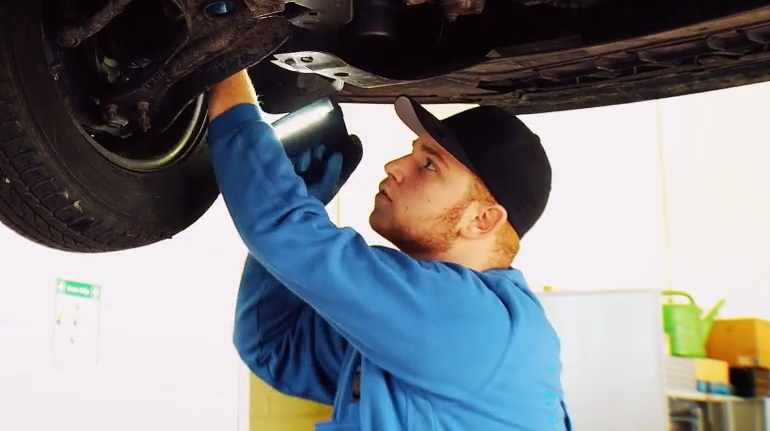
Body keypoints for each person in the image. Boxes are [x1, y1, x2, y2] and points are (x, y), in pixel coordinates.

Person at [205, 69, 569, 430]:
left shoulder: (470, 320)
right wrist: (296, 215)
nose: (394, 166)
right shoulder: (420, 330)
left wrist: (226, 70)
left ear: (481, 220)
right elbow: (274, 347)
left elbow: (285, 234)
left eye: (429, 164)